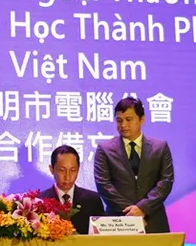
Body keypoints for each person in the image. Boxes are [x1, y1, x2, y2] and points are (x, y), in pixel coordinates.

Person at [93, 97, 174, 234]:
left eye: (128, 119)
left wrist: (143, 208)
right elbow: (103, 185)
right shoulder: (104, 149)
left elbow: (166, 181)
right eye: (119, 120)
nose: (123, 125)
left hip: (153, 221)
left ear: (142, 119)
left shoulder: (160, 148)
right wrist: (132, 213)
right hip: (118, 223)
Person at [39, 145, 104, 234]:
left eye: (73, 170)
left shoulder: (93, 200)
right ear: (51, 169)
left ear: (78, 169)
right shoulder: (40, 201)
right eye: (62, 170)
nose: (67, 177)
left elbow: (100, 237)